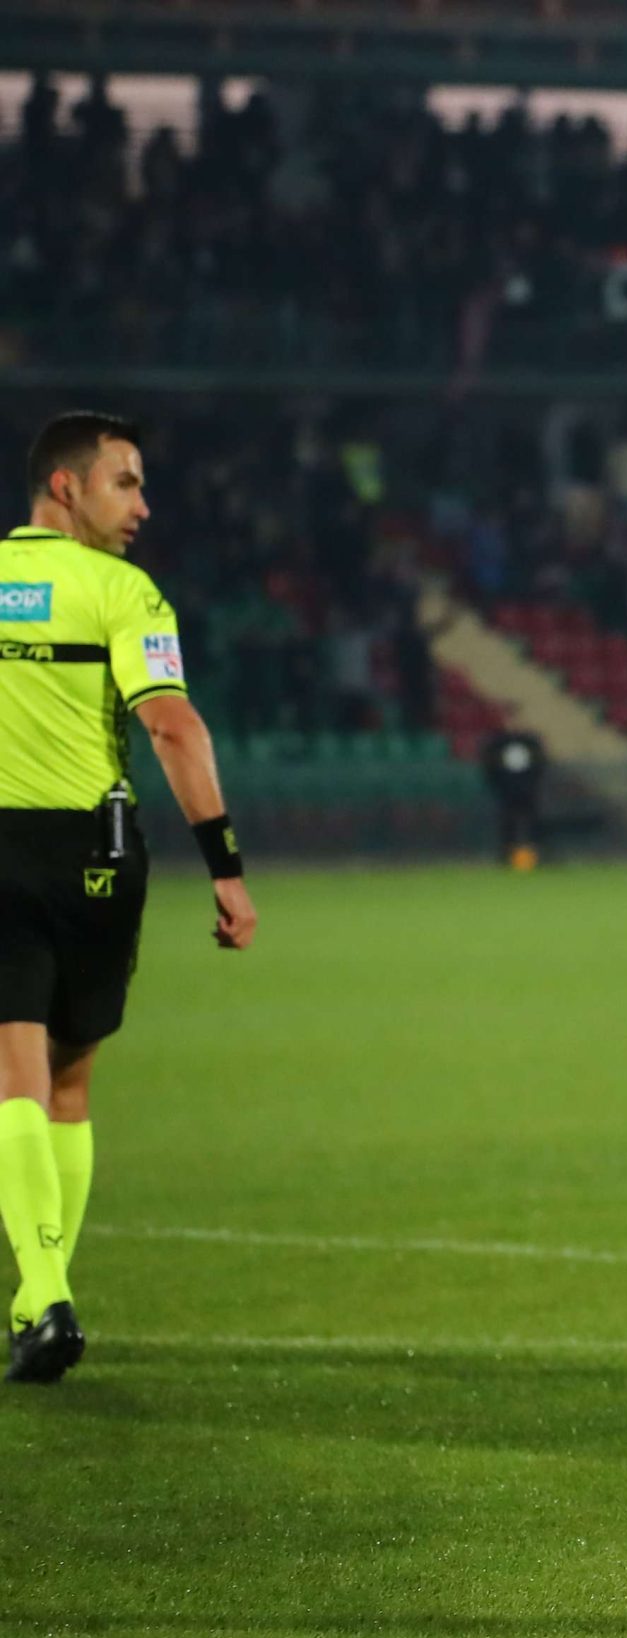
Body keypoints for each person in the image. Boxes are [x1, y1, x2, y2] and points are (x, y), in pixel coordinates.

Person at [1, 412, 258, 1384]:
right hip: (94, 856)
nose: (143, 507)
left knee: (12, 1077)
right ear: (64, 488)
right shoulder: (121, 592)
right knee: (66, 1084)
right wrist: (224, 865)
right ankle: (44, 1293)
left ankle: (41, 1299)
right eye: (125, 484)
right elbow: (175, 729)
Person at [478, 727, 546, 870]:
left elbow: (540, 766)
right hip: (507, 792)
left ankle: (534, 856)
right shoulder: (500, 745)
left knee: (532, 822)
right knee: (507, 823)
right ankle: (507, 856)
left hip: (526, 792)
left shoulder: (529, 744)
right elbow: (490, 767)